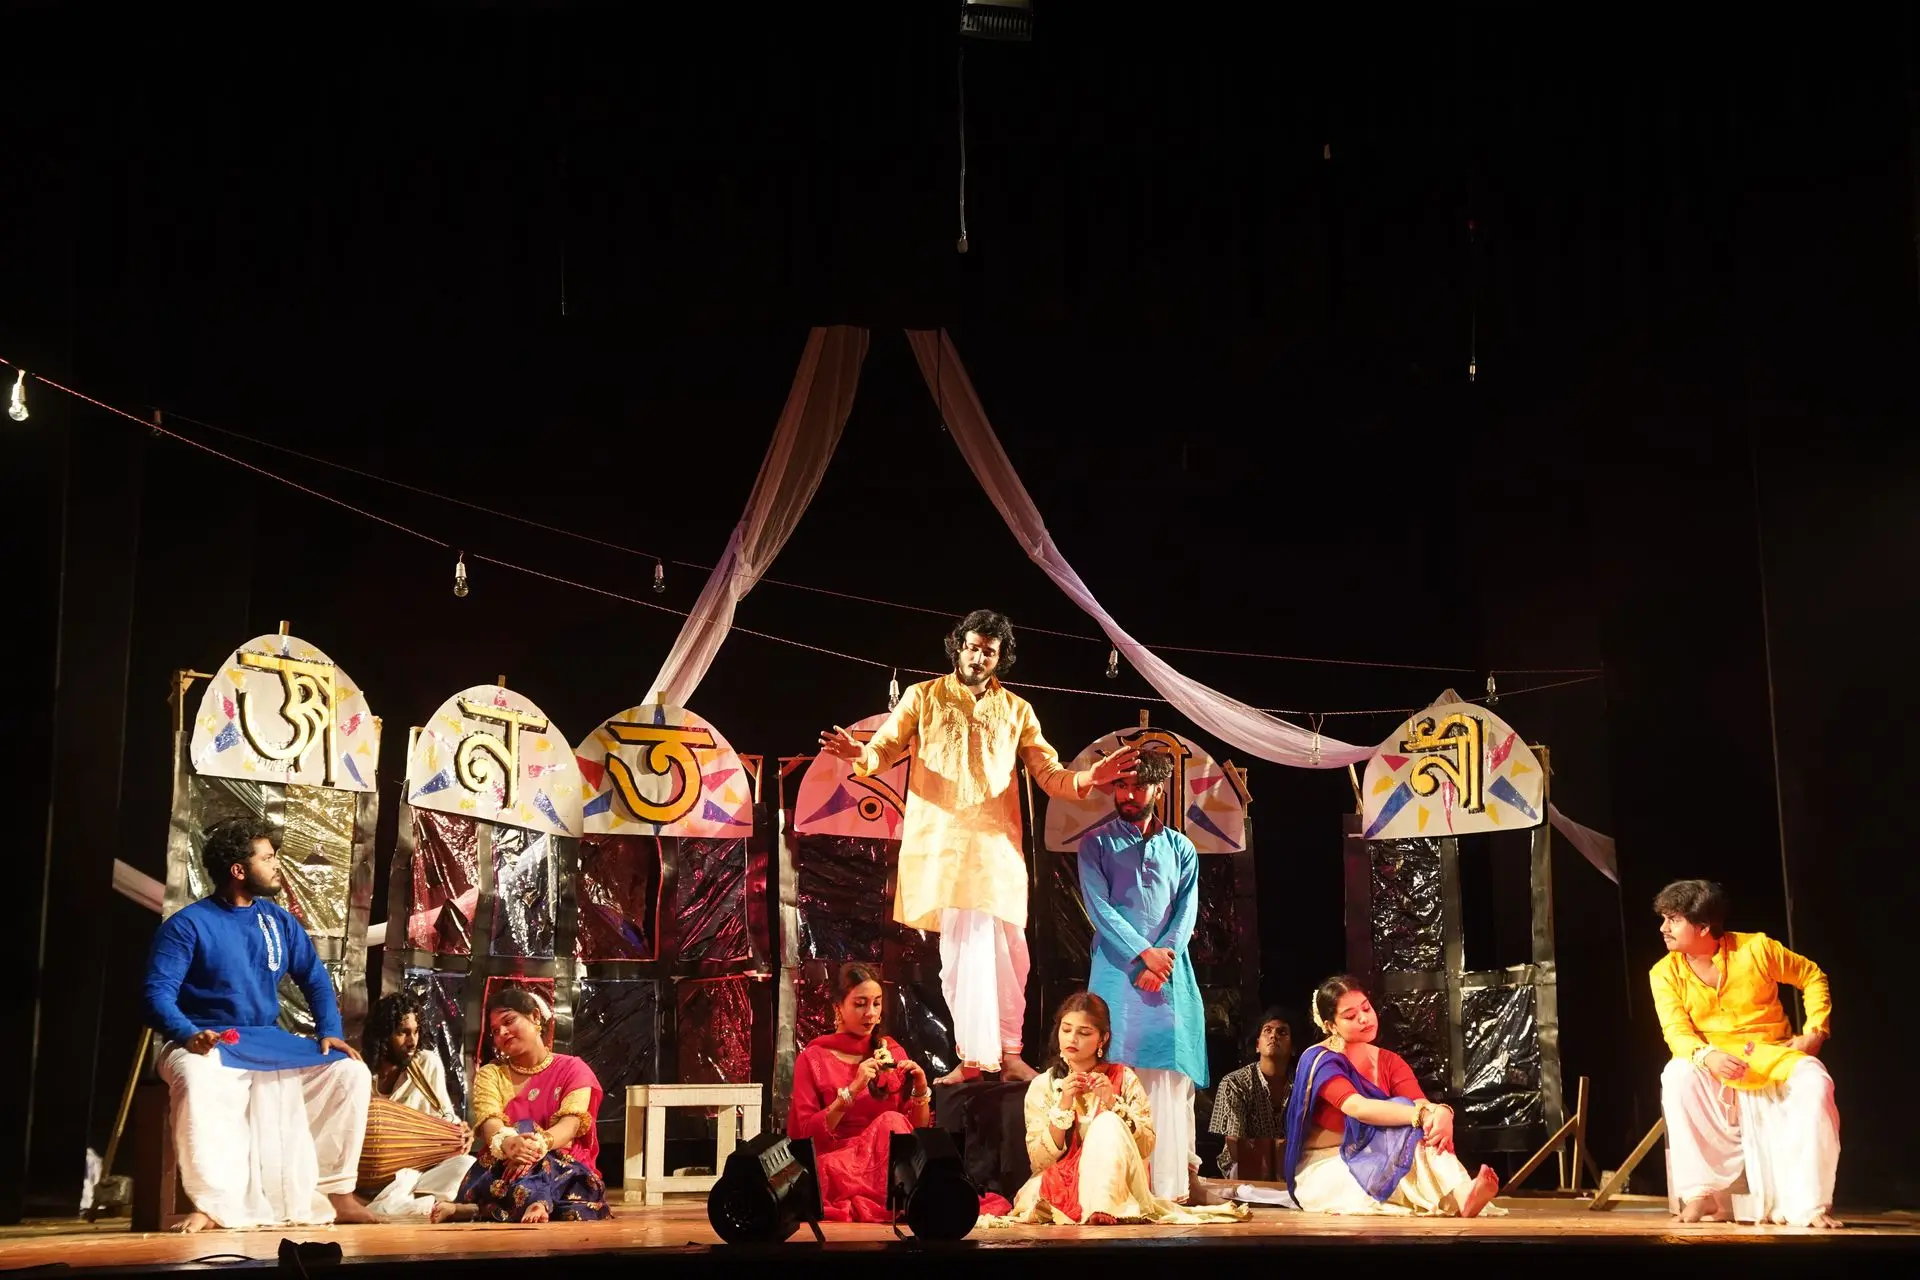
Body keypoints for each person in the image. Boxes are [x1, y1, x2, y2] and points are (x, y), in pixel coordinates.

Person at [820, 610, 1136, 1084]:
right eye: (972, 647)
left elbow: (1049, 774)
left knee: (1011, 957)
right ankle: (970, 1059)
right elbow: (882, 751)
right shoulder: (922, 697)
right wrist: (859, 755)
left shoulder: (1017, 710)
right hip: (947, 850)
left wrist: (1089, 777)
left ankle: (1010, 1053)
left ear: (999, 658)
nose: (978, 657)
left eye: (988, 651)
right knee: (961, 959)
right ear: (958, 647)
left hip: (998, 851)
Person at [142, 818, 378, 1232]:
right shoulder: (187, 925)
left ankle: (335, 1192)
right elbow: (157, 993)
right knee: (197, 1078)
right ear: (238, 870)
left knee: (349, 1073)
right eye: (267, 859)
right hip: (206, 1040)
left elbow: (315, 979)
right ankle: (213, 1206)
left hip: (267, 1040)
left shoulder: (278, 920)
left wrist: (330, 1031)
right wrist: (188, 1034)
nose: (276, 866)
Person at [1649, 879, 1841, 1228]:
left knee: (1815, 1082)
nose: (1664, 928)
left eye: (1673, 920)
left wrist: (1815, 1032)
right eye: (1664, 919)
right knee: (1676, 1075)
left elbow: (1812, 976)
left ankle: (1809, 1204)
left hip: (1771, 1054)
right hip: (1713, 1062)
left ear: (1703, 927)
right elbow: (1676, 1031)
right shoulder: (1664, 972)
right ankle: (1700, 1194)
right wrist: (1708, 1056)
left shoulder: (1756, 949)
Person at [995, 993, 1246, 1226]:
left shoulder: (1123, 1078)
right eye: (1066, 1029)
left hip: (1117, 1186)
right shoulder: (1044, 1085)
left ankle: (1103, 1208)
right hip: (1059, 1181)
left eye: (1084, 1032)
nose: (1072, 1039)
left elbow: (1145, 1146)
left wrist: (1112, 1102)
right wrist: (1063, 1105)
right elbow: (1039, 1160)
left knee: (1107, 1122)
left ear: (1102, 1039)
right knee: (1035, 1195)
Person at [1077, 749, 1206, 1202]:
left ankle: (1169, 1186)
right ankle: (1114, 1188)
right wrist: (1143, 955)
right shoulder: (1095, 844)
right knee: (1114, 1069)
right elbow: (1100, 909)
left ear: (1158, 789)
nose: (1128, 795)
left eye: (1138, 787)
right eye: (1121, 786)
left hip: (1169, 974)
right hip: (1118, 973)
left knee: (1168, 1075)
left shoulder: (1181, 848)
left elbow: (1186, 910)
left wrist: (1163, 957)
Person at [1284, 975, 1500, 1217]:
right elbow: (1358, 1107)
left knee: (1425, 1128)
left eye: (1366, 1008)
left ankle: (1462, 1192)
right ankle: (1460, 1194)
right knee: (1407, 1120)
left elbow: (1420, 1103)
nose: (1364, 1018)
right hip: (1328, 1165)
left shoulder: (1389, 1061)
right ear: (1331, 1025)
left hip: (1375, 1156)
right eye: (1350, 1016)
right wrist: (1421, 1115)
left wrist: (1441, 1114)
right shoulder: (1320, 1059)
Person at [434, 987, 611, 1224]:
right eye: (495, 1031)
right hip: (506, 1163)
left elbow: (571, 1125)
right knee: (520, 1131)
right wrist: (509, 1143)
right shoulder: (490, 1074)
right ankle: (535, 1202)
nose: (502, 1032)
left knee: (549, 1166)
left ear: (535, 1017)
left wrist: (536, 1146)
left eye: (508, 1021)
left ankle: (476, 1209)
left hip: (560, 1163)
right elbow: (490, 1122)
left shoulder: (573, 1069)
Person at [787, 962, 935, 1221]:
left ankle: (905, 1196)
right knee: (889, 1123)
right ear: (838, 1007)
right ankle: (904, 1199)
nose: (871, 1013)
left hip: (890, 1166)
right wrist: (852, 1091)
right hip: (840, 1165)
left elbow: (915, 1133)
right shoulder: (813, 1059)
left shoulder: (892, 1052)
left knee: (893, 1122)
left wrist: (921, 1089)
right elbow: (804, 1136)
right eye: (860, 1004)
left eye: (877, 1003)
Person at [360, 992, 474, 1213]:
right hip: (364, 1179)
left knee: (466, 1164)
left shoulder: (426, 1063)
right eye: (403, 1033)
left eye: (416, 1031)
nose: (412, 1041)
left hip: (414, 1175)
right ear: (383, 1034)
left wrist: (458, 1133)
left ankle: (392, 1206)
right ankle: (405, 1206)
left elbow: (444, 1117)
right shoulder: (359, 1071)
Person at [1208, 1007, 1295, 1181]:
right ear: (1257, 1045)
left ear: (1293, 1048)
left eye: (1282, 1032)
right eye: (1267, 1031)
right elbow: (1235, 1144)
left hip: (1291, 1164)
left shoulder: (1303, 1084)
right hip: (1245, 1163)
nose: (1274, 1036)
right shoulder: (1235, 1082)